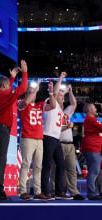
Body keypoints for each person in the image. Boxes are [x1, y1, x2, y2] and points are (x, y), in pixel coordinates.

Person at [0, 60, 28, 201]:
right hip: (1, 131)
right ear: (4, 86)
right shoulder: (4, 95)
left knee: (1, 160)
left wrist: (11, 78)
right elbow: (22, 89)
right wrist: (24, 72)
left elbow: (7, 93)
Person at [18, 81, 56, 200]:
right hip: (27, 138)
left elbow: (53, 106)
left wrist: (51, 92)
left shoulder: (39, 105)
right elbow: (25, 102)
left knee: (38, 166)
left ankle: (38, 191)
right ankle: (23, 191)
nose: (32, 94)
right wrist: (35, 90)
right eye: (29, 92)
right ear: (26, 95)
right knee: (25, 164)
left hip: (39, 139)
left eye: (33, 92)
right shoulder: (21, 103)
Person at [41, 72, 72, 200]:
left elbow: (58, 127)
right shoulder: (50, 102)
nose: (62, 96)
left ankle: (59, 192)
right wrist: (60, 78)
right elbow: (55, 92)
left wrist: (67, 127)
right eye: (60, 95)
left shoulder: (59, 108)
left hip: (56, 138)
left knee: (61, 165)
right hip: (48, 137)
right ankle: (45, 192)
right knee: (47, 164)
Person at [52, 84, 85, 200]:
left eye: (63, 96)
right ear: (55, 97)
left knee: (71, 169)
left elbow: (74, 104)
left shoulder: (66, 112)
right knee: (57, 169)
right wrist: (67, 127)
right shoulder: (53, 110)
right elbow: (54, 129)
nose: (62, 98)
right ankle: (55, 190)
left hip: (69, 144)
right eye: (60, 96)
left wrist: (70, 92)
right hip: (58, 143)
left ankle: (74, 192)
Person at [81, 103, 102, 200]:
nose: (96, 109)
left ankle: (93, 192)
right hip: (92, 148)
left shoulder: (90, 120)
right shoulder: (91, 119)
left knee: (93, 171)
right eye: (94, 108)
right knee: (94, 172)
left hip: (92, 148)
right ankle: (92, 193)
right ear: (89, 110)